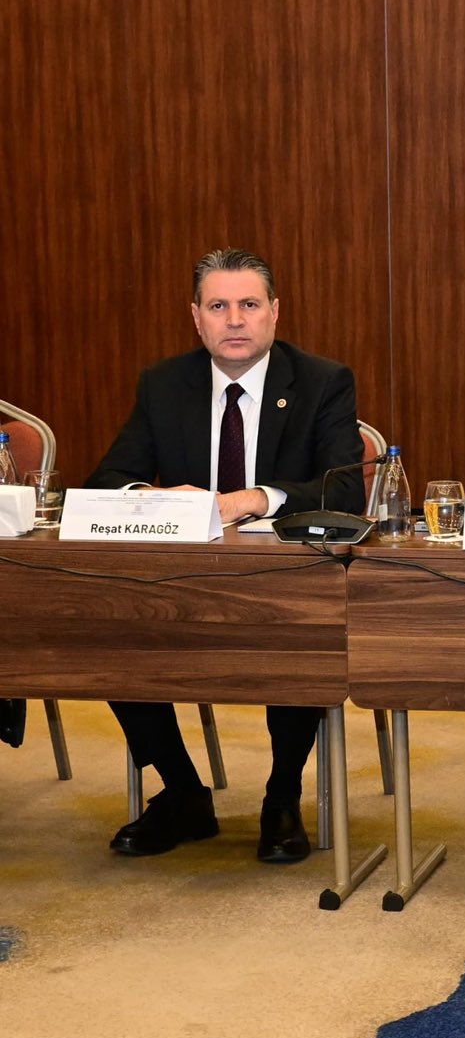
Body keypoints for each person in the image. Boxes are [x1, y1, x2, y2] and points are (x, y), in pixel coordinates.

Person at [87, 248, 364, 863]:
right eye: (218, 306)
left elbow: (346, 489)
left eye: (248, 305)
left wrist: (252, 499)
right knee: (110, 627)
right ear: (196, 317)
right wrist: (158, 497)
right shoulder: (165, 383)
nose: (234, 320)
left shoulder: (321, 381)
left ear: (274, 313)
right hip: (183, 581)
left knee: (301, 629)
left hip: (284, 581)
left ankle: (282, 795)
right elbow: (109, 480)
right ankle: (183, 793)